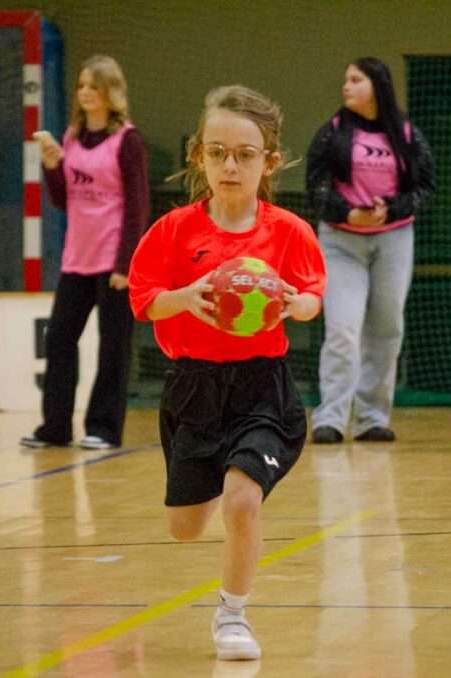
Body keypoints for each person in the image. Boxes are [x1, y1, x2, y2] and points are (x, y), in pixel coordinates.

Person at [127, 85, 325, 661]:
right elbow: (144, 300)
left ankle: (231, 615)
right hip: (193, 386)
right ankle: (221, 479)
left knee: (242, 500)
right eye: (218, 153)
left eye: (244, 154)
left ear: (269, 161)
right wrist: (185, 297)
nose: (230, 165)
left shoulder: (288, 231)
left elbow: (313, 296)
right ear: (200, 158)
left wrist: (294, 302)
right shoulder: (172, 231)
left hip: (262, 387)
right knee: (185, 528)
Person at [21, 55, 150, 450]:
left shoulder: (127, 140)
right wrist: (51, 166)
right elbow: (63, 198)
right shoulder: (72, 136)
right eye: (81, 86)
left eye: (93, 86)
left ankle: (103, 428)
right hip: (77, 256)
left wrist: (126, 263)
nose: (85, 93)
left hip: (113, 259)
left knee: (113, 346)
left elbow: (138, 205)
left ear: (111, 91)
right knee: (60, 339)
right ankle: (55, 427)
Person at [306, 57, 435, 444]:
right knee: (343, 330)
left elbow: (425, 188)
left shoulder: (407, 134)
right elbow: (315, 186)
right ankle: (330, 418)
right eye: (345, 79)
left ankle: (371, 419)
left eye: (355, 79)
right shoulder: (331, 133)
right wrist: (347, 212)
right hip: (340, 241)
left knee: (387, 329)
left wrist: (390, 209)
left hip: (394, 240)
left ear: (377, 86)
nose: (346, 86)